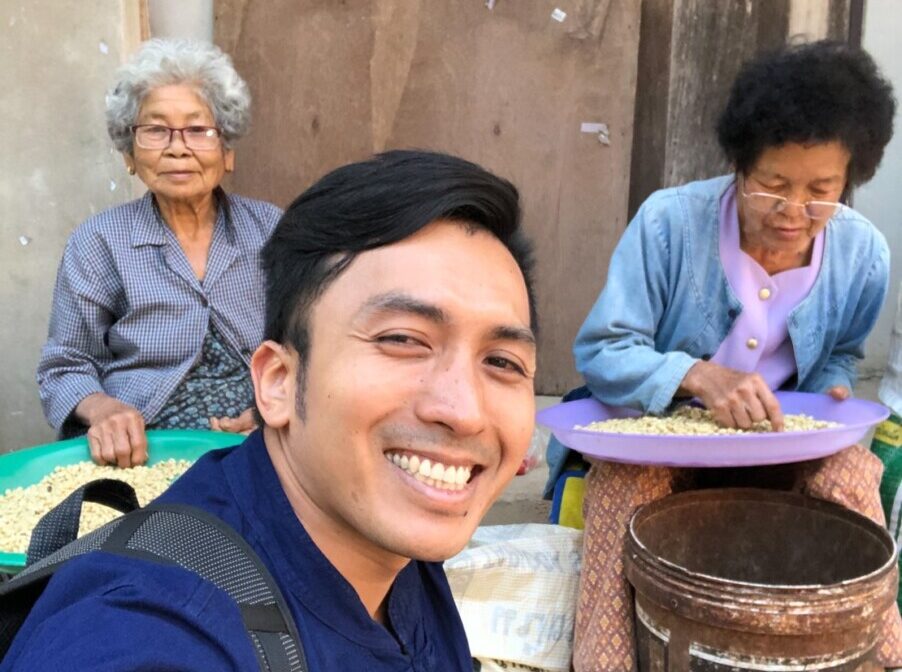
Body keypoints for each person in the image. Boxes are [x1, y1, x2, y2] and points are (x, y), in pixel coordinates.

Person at [3, 150, 538, 671]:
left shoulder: (395, 546)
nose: (465, 411)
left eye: (502, 362)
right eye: (402, 339)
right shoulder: (147, 633)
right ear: (279, 380)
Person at [561, 41, 901, 670]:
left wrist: (830, 390)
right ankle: (604, 662)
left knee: (853, 475)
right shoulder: (668, 224)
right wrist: (696, 376)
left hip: (776, 444)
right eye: (773, 185)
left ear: (850, 178)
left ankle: (874, 656)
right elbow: (603, 351)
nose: (794, 212)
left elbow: (842, 354)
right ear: (739, 165)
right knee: (622, 489)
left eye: (821, 191)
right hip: (661, 438)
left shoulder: (864, 255)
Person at [36, 39, 281, 467]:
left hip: (260, 438)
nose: (177, 148)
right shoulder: (99, 242)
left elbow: (307, 345)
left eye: (198, 130)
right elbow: (65, 366)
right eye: (155, 130)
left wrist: (274, 409)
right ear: (130, 155)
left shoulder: (270, 230)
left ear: (227, 152)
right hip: (142, 448)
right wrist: (104, 410)